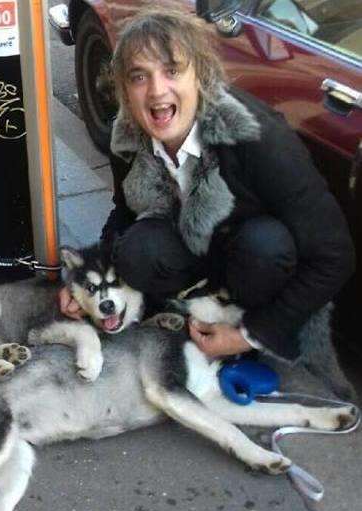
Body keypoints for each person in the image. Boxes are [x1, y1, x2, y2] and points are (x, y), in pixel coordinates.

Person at [60, 7, 355, 364]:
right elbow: (123, 212)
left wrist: (250, 334)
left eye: (172, 71)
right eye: (139, 77)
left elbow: (335, 255)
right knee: (135, 250)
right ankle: (187, 314)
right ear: (123, 89)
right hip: (194, 258)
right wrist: (85, 286)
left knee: (266, 244)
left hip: (253, 262)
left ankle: (242, 338)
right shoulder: (129, 136)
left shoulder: (258, 137)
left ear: (199, 75)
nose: (156, 91)